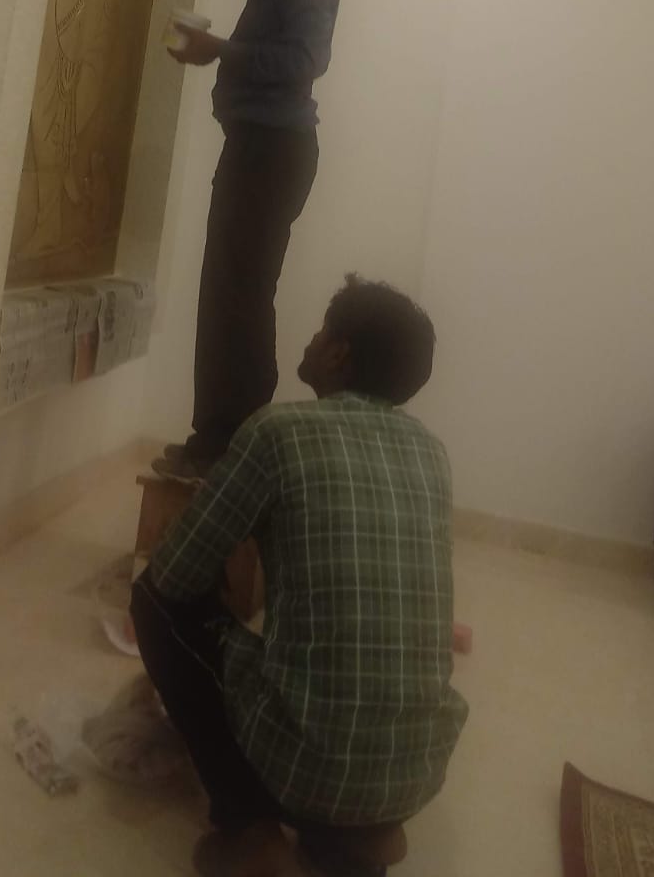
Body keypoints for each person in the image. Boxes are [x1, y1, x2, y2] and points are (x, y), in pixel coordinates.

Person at [131, 276, 468, 877]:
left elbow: (176, 572)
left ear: (338, 353)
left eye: (320, 331)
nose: (310, 341)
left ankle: (249, 827)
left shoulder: (277, 431)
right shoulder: (431, 451)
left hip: (308, 766)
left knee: (152, 601)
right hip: (418, 772)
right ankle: (360, 835)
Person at [157, 0, 343, 482]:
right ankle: (217, 440)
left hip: (273, 151)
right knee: (229, 292)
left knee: (239, 297)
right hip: (259, 146)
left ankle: (231, 448)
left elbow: (305, 61)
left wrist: (219, 50)